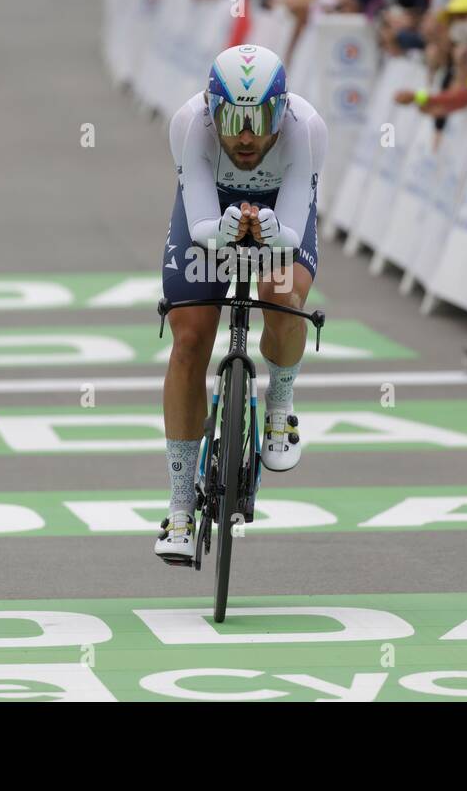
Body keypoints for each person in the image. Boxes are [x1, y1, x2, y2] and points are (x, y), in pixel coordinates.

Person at [156, 44, 327, 564]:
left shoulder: (307, 129)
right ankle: (181, 508)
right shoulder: (189, 124)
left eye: (260, 120)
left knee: (284, 296)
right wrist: (224, 231)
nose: (247, 136)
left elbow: (294, 226)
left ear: (283, 110)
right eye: (232, 119)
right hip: (210, 213)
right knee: (188, 338)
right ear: (212, 109)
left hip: (281, 213)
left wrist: (272, 235)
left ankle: (279, 403)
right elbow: (203, 222)